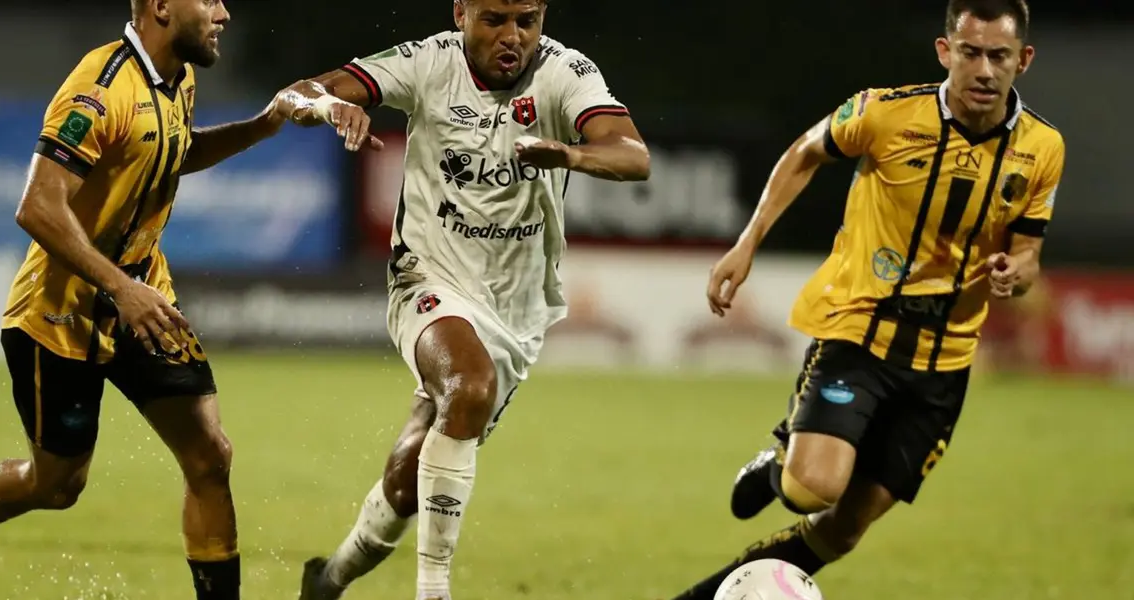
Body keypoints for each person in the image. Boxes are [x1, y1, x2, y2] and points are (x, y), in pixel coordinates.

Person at [0, 2, 378, 599]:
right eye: (209, 0)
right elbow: (37, 205)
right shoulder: (99, 88)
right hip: (59, 315)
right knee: (59, 485)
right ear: (162, 7)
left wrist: (264, 123)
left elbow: (174, 152)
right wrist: (120, 287)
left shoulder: (179, 77)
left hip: (144, 300)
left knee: (209, 455)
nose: (224, 12)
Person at [673, 0, 1063, 597]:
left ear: (1024, 60)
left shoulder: (1042, 148)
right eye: (971, 52)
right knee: (812, 489)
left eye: (999, 56)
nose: (985, 70)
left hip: (945, 362)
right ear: (945, 52)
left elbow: (1030, 250)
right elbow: (804, 151)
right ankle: (779, 467)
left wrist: (1019, 271)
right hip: (862, 328)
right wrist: (747, 243)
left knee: (842, 530)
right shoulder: (885, 112)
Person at [295, 0, 651, 598]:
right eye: (494, 19)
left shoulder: (566, 74)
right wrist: (331, 105)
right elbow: (305, 91)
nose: (513, 36)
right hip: (427, 275)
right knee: (470, 384)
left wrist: (571, 154)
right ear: (460, 12)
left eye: (528, 20)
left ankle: (329, 579)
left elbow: (634, 156)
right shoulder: (427, 62)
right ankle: (434, 591)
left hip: (517, 309)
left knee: (411, 480)